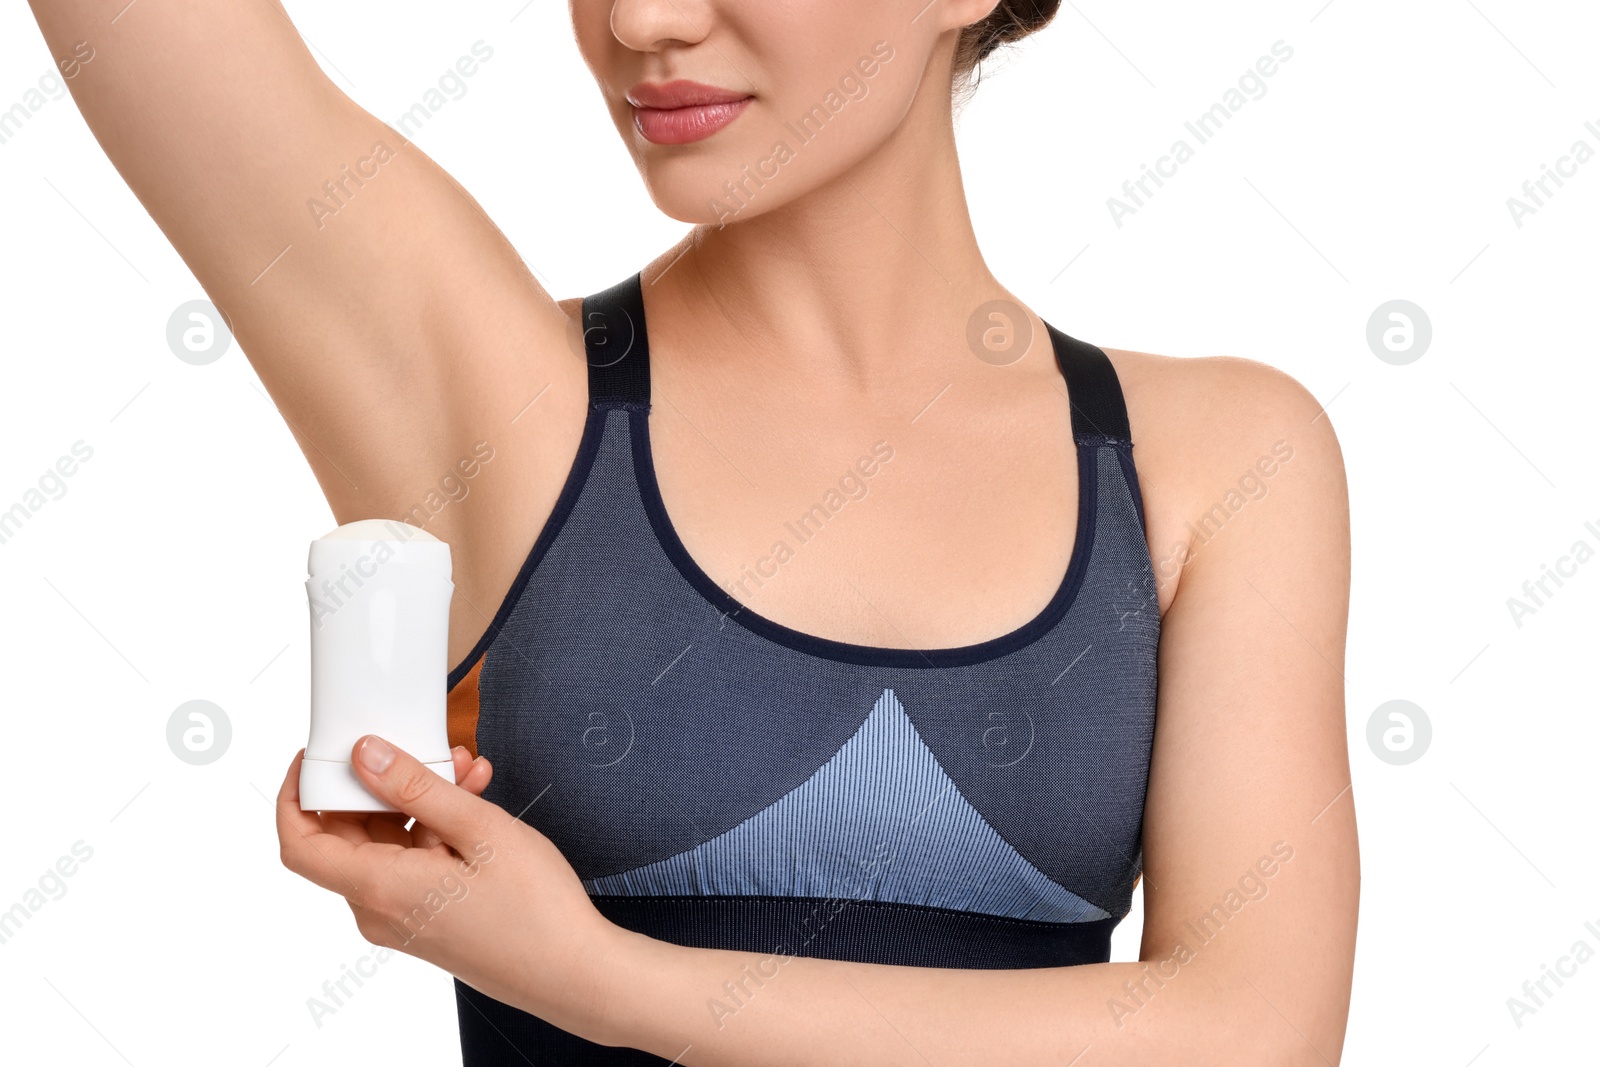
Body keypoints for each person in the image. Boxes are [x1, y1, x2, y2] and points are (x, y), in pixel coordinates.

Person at [27, 0, 1358, 1061]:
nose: (644, 20)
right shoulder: (501, 407)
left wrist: (605, 983)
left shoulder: (1214, 456)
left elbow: (1252, 1035)